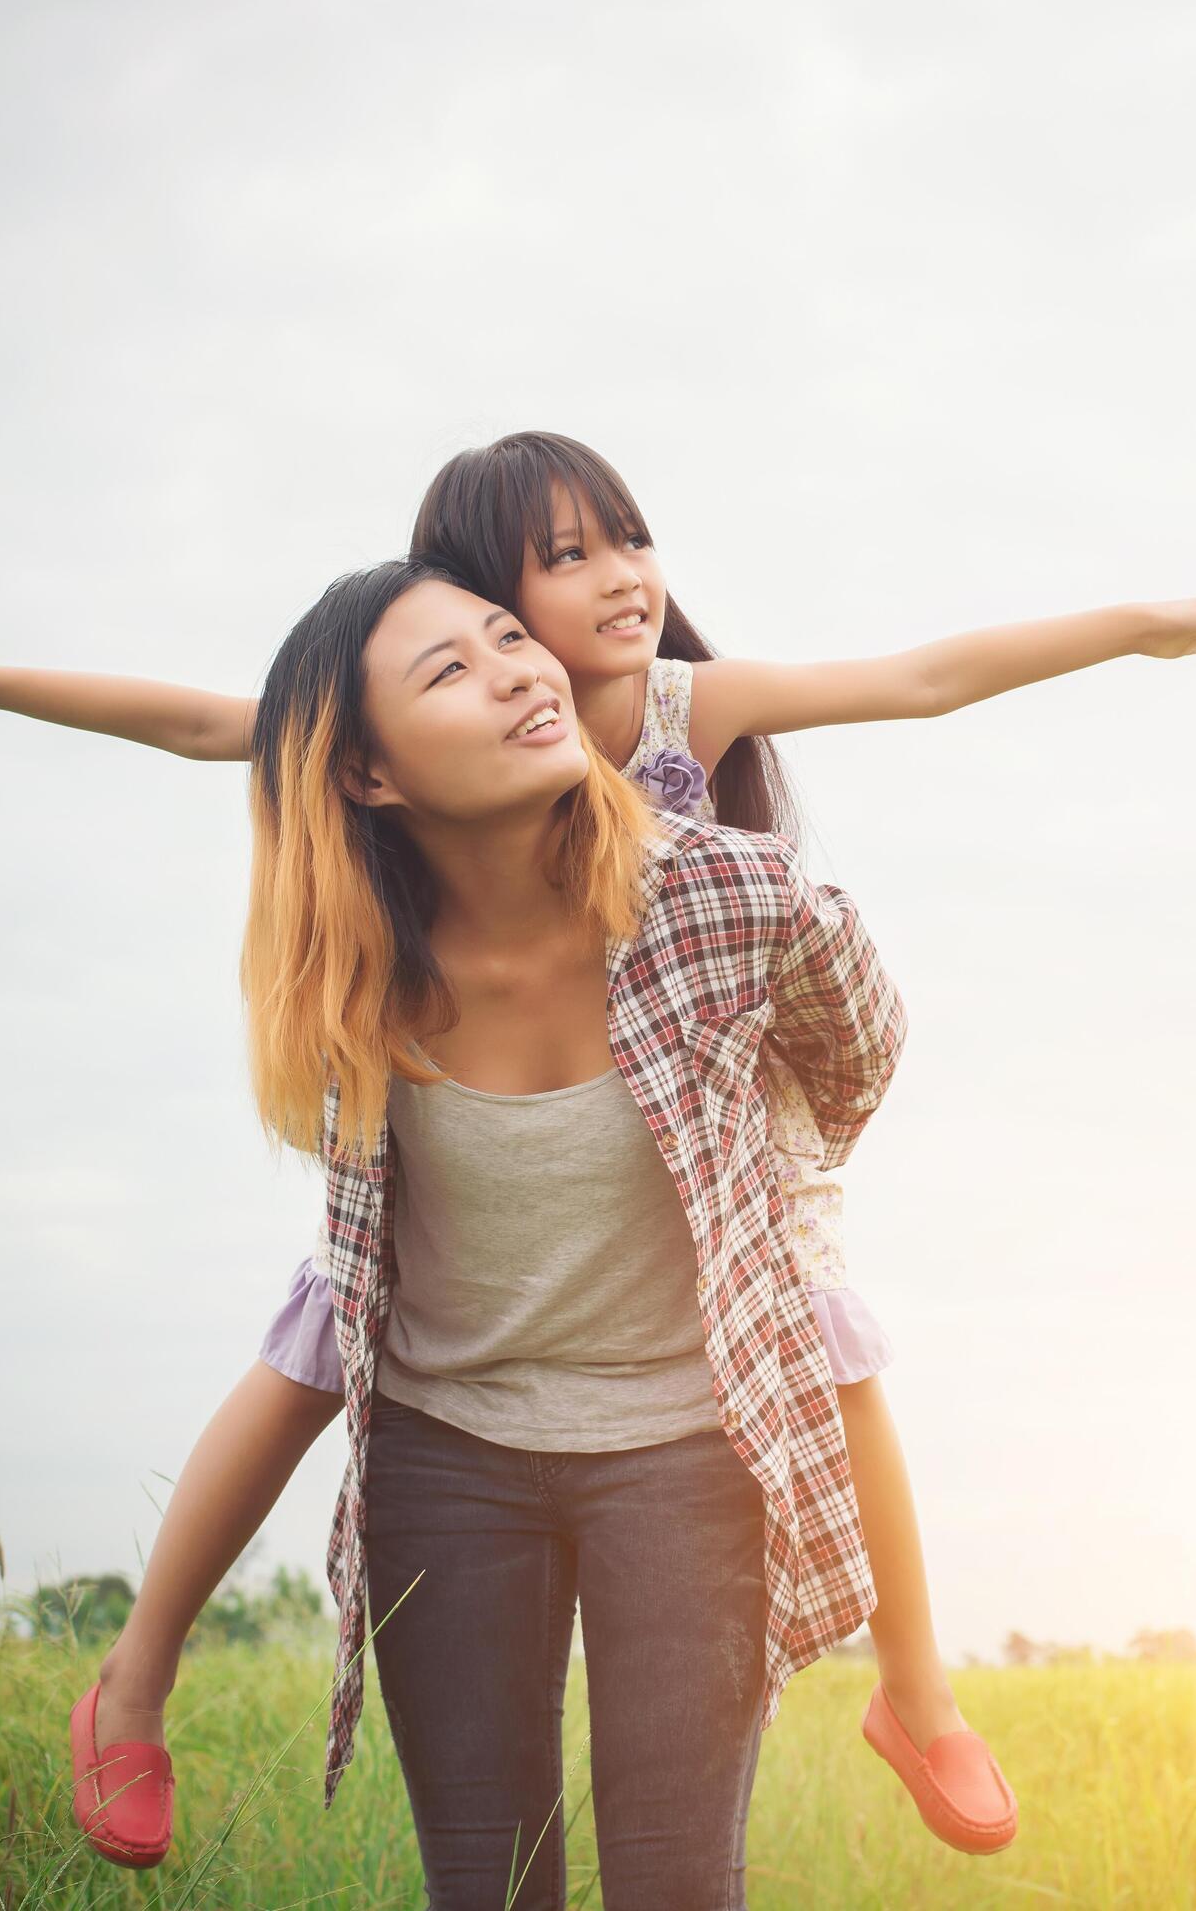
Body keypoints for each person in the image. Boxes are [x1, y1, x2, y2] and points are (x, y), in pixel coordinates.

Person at [0, 433, 1196, 1861]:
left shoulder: (686, 746)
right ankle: (136, 1680)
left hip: (715, 1115)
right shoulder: (378, 873)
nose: (610, 588)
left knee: (827, 1326)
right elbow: (205, 722)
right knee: (309, 1358)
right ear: (374, 757)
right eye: (556, 567)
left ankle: (919, 1694)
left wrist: (1138, 630)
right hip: (462, 1340)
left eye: (627, 538)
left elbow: (918, 686)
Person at [102, 558, 895, 1902]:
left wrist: (747, 1171)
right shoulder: (357, 973)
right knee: (486, 1882)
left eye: (508, 637)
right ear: (368, 775)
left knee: (675, 1883)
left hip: (688, 1446)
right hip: (446, 1454)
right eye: (449, 671)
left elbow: (856, 1055)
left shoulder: (729, 896)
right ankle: (129, 1680)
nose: (522, 670)